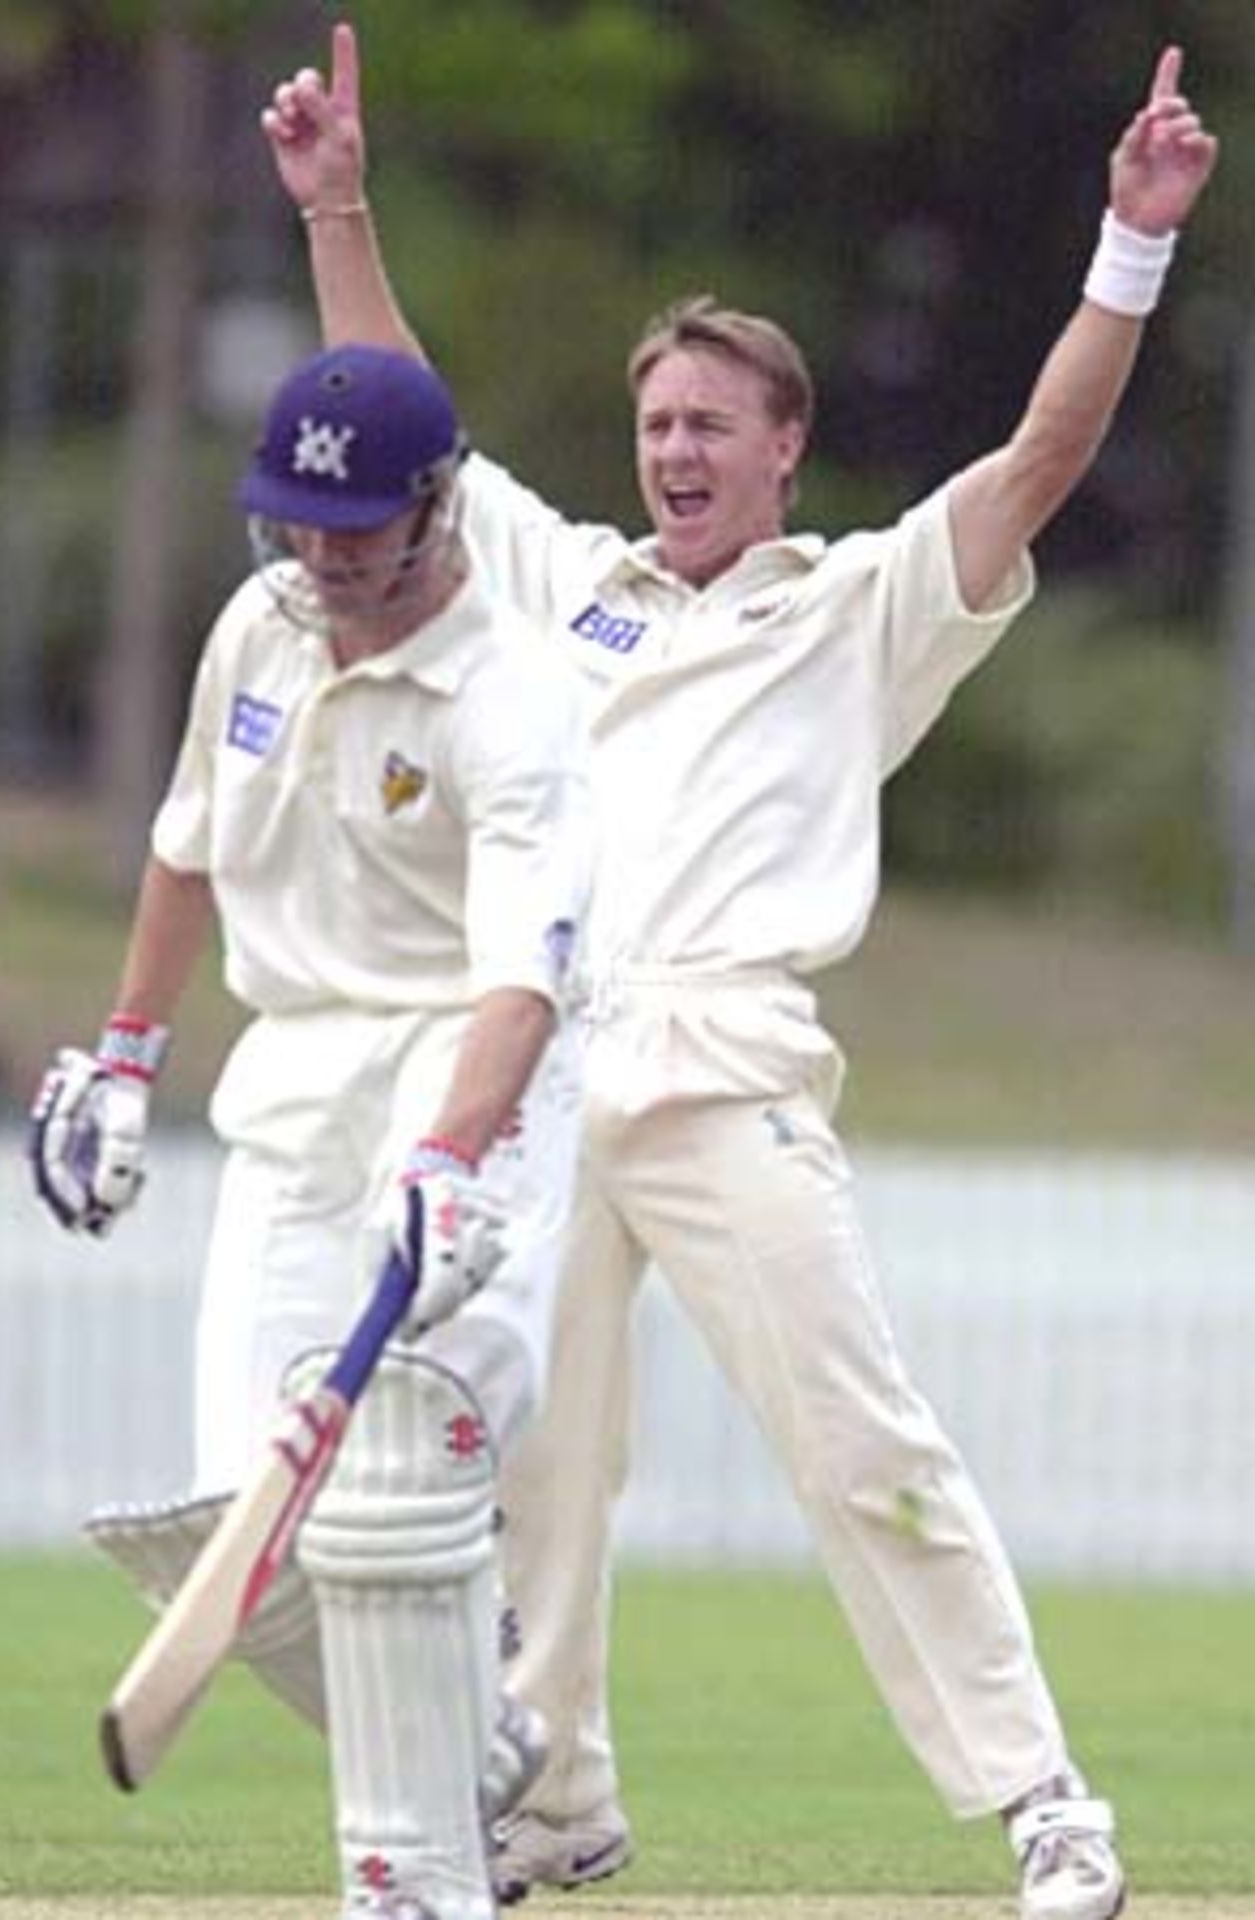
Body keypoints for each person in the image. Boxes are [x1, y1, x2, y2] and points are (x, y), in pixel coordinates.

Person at [262, 27, 1217, 1920]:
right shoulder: (572, 586)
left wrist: (1133, 244)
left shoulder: (860, 605)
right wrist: (339, 205)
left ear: (783, 447)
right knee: (519, 1468)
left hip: (724, 1062)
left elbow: (1041, 457)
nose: (673, 451)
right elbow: (405, 419)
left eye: (710, 425)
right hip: (542, 1079)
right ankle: (548, 1806)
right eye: (655, 423)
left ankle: (1043, 1804)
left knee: (866, 1445)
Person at [28, 340, 594, 1920]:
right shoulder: (258, 630)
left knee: (393, 1475)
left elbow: (524, 974)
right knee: (249, 1527)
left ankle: (407, 1878)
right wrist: (128, 1053)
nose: (322, 557)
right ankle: (468, 1749)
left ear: (437, 505)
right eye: (295, 523)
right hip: (296, 1080)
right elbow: (186, 846)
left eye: (354, 528)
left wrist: (448, 1160)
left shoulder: (515, 692)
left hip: (476, 1075)